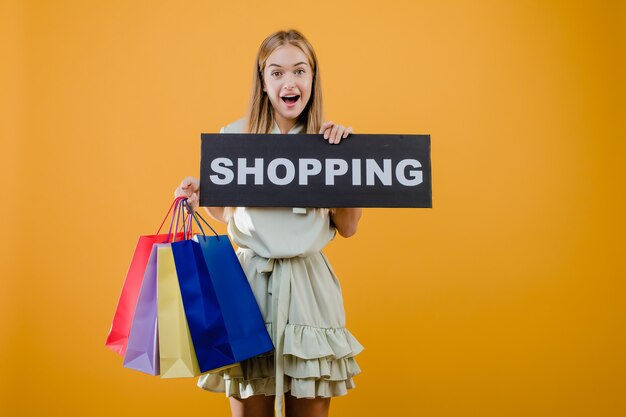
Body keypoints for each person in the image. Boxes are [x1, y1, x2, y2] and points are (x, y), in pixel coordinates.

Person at [175, 29, 363, 417]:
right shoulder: (233, 137)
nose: (289, 82)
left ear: (313, 78)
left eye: (299, 71)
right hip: (246, 285)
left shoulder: (330, 143)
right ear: (262, 81)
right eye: (276, 73)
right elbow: (224, 212)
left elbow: (347, 226)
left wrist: (348, 162)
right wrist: (201, 194)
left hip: (309, 289)